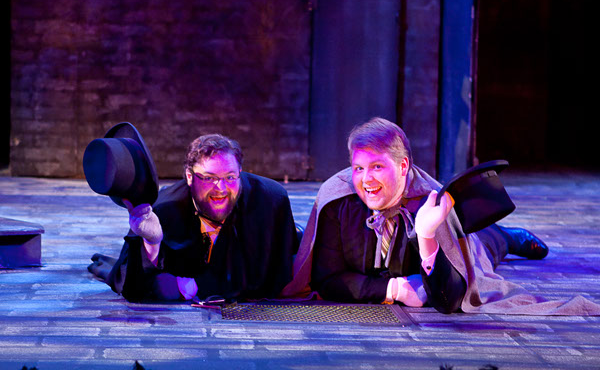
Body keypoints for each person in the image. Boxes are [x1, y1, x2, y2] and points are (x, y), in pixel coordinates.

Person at [282, 117, 560, 314]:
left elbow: (449, 300)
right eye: (358, 168)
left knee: (482, 246)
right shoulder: (337, 201)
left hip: (476, 238)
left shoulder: (430, 201)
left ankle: (506, 237)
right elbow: (327, 279)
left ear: (403, 167)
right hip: (392, 279)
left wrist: (426, 235)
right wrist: (394, 289)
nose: (366, 180)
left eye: (377, 167)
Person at [89, 133, 299, 303]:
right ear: (190, 177)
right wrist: (152, 242)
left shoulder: (271, 199)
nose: (221, 188)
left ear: (240, 172)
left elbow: (280, 270)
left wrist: (197, 285)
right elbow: (133, 287)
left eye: (230, 177)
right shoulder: (163, 209)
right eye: (208, 178)